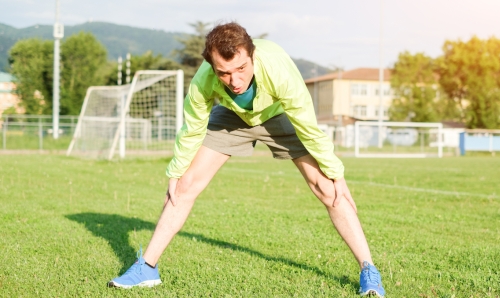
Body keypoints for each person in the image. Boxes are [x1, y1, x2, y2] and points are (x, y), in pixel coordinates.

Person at [108, 22, 385, 297]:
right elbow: (192, 128)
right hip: (232, 117)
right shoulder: (204, 79)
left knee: (327, 188)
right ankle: (146, 268)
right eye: (224, 73)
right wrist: (176, 170)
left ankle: (369, 271)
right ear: (212, 66)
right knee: (183, 186)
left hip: (278, 113)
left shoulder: (277, 69)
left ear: (251, 55)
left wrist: (336, 173)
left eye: (241, 69)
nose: (235, 81)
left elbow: (309, 128)